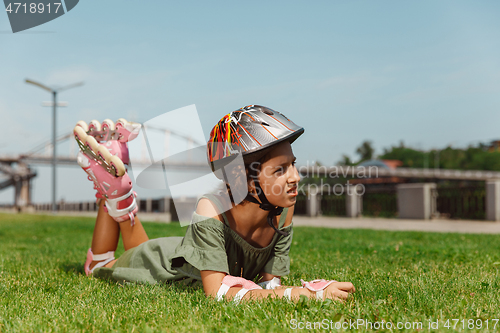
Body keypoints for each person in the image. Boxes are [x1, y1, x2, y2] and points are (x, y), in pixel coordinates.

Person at [73, 105, 355, 303]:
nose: (296, 177)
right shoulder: (211, 208)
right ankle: (118, 193)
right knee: (99, 267)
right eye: (280, 170)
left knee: (132, 249)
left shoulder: (282, 212)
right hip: (159, 263)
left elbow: (268, 284)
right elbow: (218, 292)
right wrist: (305, 294)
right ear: (239, 176)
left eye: (292, 165)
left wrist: (295, 292)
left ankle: (120, 184)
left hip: (179, 253)